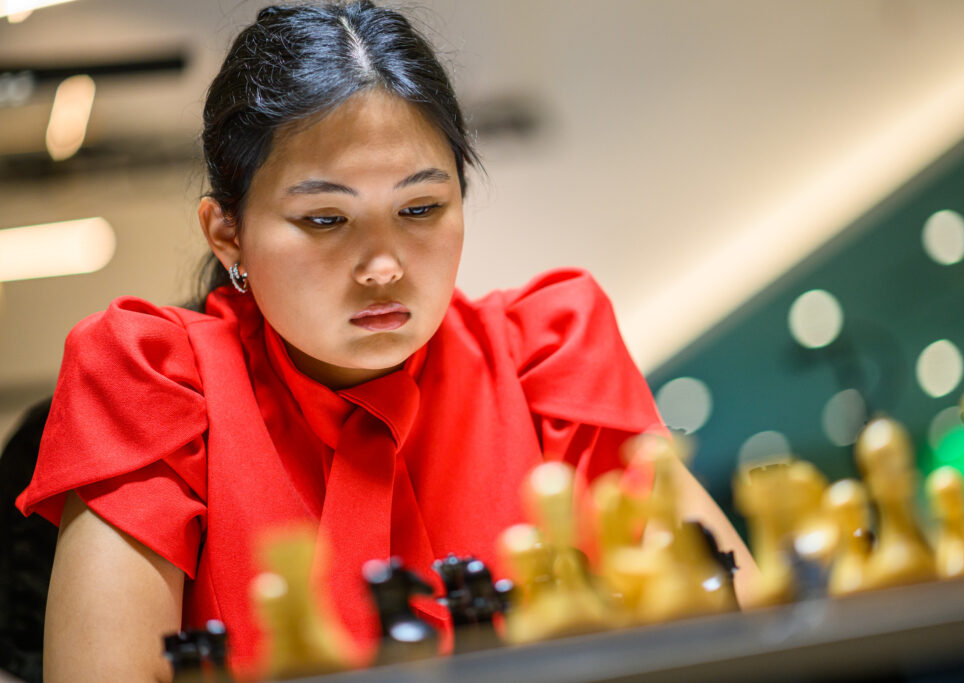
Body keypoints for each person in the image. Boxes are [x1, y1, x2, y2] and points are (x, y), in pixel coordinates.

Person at [16, 2, 756, 681]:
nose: (383, 266)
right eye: (326, 219)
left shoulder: (549, 357)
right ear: (228, 233)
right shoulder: (153, 383)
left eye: (421, 208)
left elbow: (747, 634)